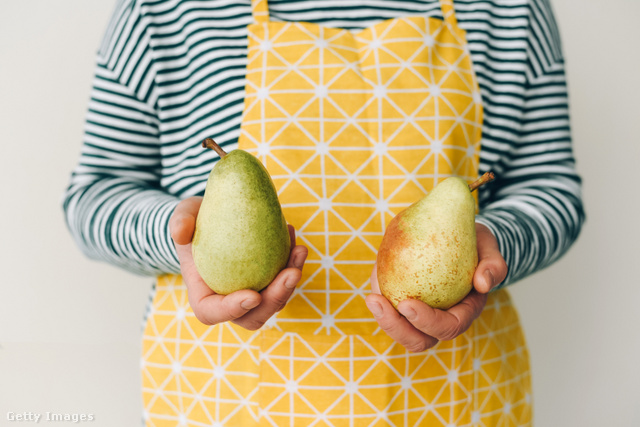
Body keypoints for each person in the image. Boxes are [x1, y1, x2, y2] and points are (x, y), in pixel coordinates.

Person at [63, 0, 584, 425]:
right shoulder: (163, 12)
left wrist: (494, 243)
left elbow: (552, 190)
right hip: (223, 396)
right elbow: (94, 197)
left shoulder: (511, 11)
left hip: (450, 394)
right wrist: (181, 236)